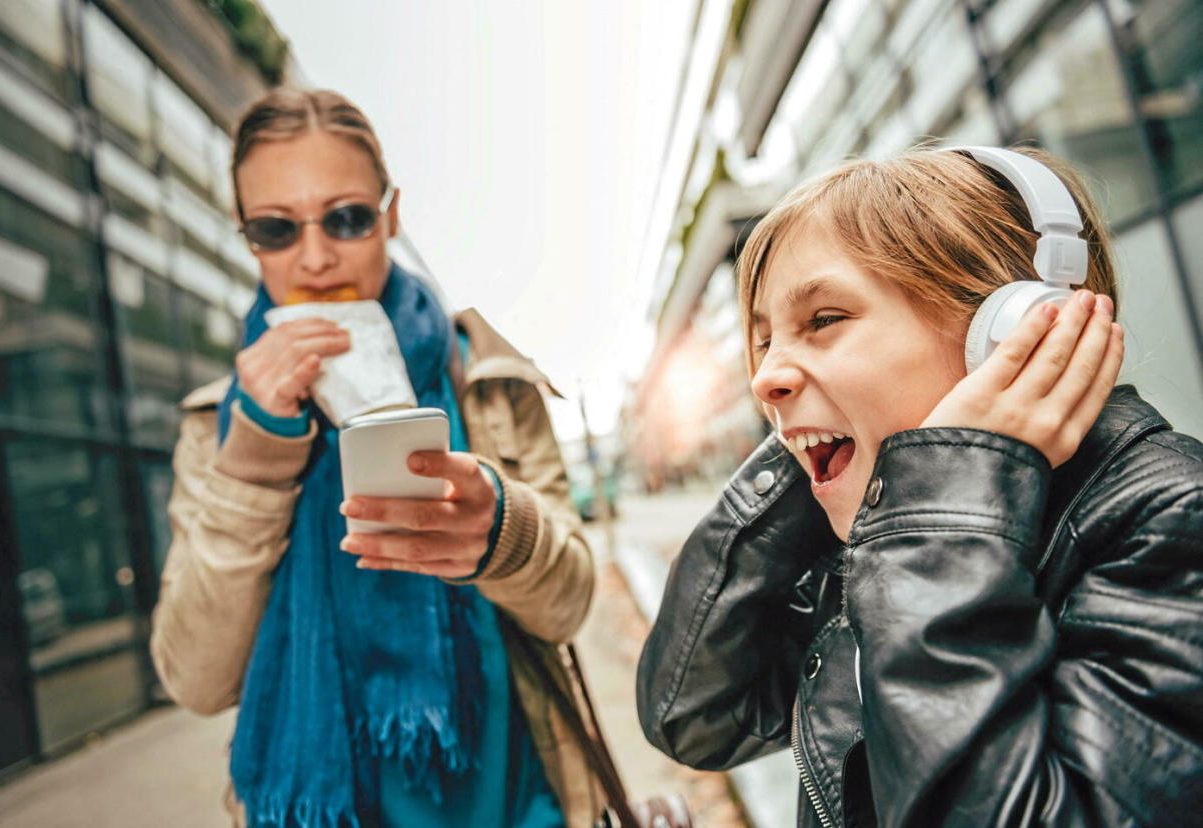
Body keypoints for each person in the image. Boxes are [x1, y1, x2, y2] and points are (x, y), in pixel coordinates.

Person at [635, 146, 1203, 826]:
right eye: (765, 341)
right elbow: (690, 716)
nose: (764, 380)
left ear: (1012, 333)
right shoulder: (886, 526)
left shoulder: (1168, 516)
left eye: (822, 321)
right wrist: (831, 459)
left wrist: (939, 489)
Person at [151, 88, 604, 827]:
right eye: (276, 228)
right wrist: (257, 459)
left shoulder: (484, 377)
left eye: (348, 218)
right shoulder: (217, 427)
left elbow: (571, 604)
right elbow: (195, 679)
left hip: (523, 804)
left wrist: (500, 535)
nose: (317, 257)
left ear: (391, 214)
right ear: (247, 239)